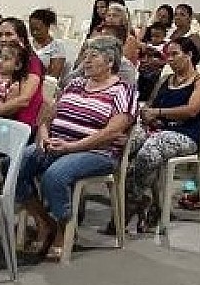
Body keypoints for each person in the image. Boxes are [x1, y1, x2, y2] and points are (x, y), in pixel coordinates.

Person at [14, 35, 136, 263]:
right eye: (85, 56)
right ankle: (44, 223)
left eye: (93, 56)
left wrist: (71, 147)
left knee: (55, 175)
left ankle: (63, 230)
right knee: (14, 167)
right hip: (57, 144)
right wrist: (43, 136)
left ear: (110, 62)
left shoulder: (124, 90)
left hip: (97, 152)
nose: (86, 61)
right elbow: (45, 116)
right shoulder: (75, 84)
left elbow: (112, 132)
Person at [123, 37, 200, 232]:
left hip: (186, 134)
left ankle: (135, 201)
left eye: (175, 54)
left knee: (150, 150)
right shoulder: (166, 80)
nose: (170, 60)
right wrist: (148, 115)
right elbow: (150, 105)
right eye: (168, 55)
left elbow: (192, 110)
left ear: (189, 55)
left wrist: (158, 113)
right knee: (129, 140)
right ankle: (142, 200)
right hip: (159, 129)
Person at [29, 8, 68, 82]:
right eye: (32, 29)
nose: (34, 33)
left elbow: (53, 76)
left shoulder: (57, 46)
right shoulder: (27, 43)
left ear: (48, 27)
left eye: (38, 29)